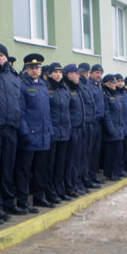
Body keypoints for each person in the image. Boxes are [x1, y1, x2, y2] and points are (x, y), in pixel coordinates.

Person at [0, 44, 25, 219]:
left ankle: (8, 202)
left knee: (8, 168)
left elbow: (20, 103)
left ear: (7, 58)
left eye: (2, 55)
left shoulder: (14, 77)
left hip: (11, 128)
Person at [13, 53, 53, 212]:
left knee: (40, 169)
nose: (35, 70)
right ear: (27, 69)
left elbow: (46, 111)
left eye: (37, 68)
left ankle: (39, 196)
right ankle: (23, 201)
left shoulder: (43, 85)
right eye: (31, 68)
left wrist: (49, 130)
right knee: (24, 170)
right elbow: (20, 112)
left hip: (43, 135)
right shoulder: (22, 85)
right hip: (29, 135)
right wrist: (25, 132)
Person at [45, 63, 71, 203]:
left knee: (60, 164)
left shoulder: (64, 88)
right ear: (49, 74)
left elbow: (68, 111)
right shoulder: (46, 88)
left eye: (60, 72)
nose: (58, 74)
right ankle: (50, 192)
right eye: (55, 72)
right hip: (52, 132)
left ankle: (60, 190)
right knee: (50, 165)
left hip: (64, 131)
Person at [63, 64, 85, 198]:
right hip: (71, 129)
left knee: (76, 160)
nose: (79, 76)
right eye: (77, 74)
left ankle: (75, 184)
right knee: (69, 161)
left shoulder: (76, 88)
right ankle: (69, 187)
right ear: (70, 74)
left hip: (78, 128)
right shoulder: (66, 88)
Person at [101, 74, 124, 180]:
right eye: (113, 83)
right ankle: (110, 173)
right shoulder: (106, 95)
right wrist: (111, 129)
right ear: (107, 83)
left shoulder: (115, 94)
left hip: (118, 127)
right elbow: (107, 114)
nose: (115, 85)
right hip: (111, 129)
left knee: (118, 152)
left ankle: (117, 171)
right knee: (110, 153)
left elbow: (120, 112)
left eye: (115, 83)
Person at [85, 64, 105, 185]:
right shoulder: (89, 86)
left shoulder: (99, 86)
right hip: (92, 122)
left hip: (99, 122)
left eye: (100, 73)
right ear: (91, 73)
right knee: (89, 151)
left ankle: (93, 175)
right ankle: (87, 177)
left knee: (96, 151)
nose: (99, 75)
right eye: (97, 73)